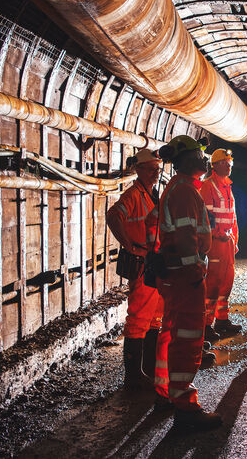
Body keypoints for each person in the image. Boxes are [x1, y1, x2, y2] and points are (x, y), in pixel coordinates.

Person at [154, 135, 221, 430]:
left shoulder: (181, 188)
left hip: (176, 275)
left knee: (171, 332)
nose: (204, 160)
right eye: (199, 154)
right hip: (185, 277)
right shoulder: (183, 191)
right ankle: (185, 407)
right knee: (188, 338)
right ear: (185, 160)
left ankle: (166, 392)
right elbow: (184, 237)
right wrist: (195, 271)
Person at [106, 149, 165, 393]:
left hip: (153, 261)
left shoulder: (153, 194)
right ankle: (132, 377)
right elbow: (113, 215)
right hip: (141, 261)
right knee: (139, 317)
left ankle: (148, 368)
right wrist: (127, 243)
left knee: (154, 317)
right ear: (138, 170)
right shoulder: (133, 194)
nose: (155, 173)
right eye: (150, 169)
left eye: (157, 169)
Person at [200, 149, 241, 340]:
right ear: (215, 165)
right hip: (215, 242)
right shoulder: (208, 186)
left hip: (227, 243)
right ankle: (206, 325)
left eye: (230, 162)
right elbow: (207, 217)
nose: (229, 165)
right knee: (213, 284)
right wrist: (216, 235)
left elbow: (232, 216)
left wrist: (235, 240)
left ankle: (222, 320)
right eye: (225, 162)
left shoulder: (228, 186)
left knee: (226, 282)